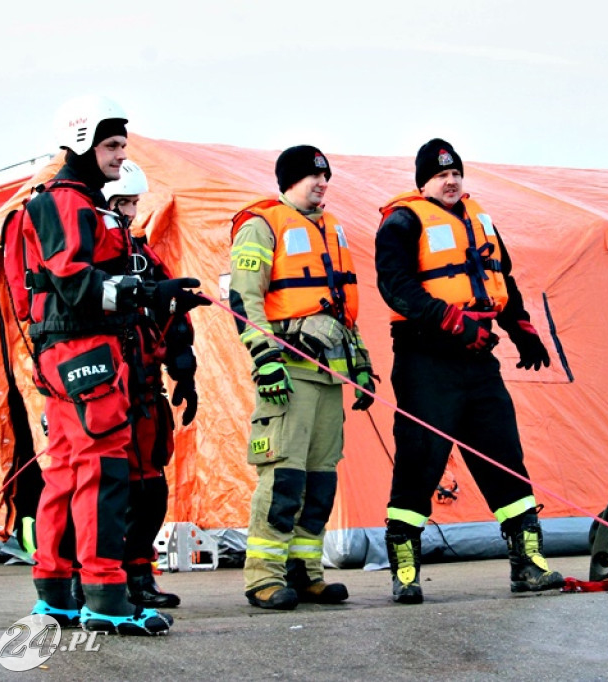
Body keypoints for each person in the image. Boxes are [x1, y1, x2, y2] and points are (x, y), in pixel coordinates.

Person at [25, 95, 207, 635]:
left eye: (123, 145)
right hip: (85, 351)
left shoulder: (81, 202)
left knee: (63, 471)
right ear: (83, 142)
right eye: (111, 145)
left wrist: (156, 295)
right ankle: (106, 597)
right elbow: (76, 281)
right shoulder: (68, 203)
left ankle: (56, 592)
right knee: (103, 470)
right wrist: (143, 293)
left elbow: (84, 279)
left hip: (67, 353)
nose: (119, 155)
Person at [374, 138, 563, 604]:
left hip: (478, 361)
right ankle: (404, 570)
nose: (451, 180)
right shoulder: (401, 223)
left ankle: (528, 564)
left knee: (504, 456)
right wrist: (453, 322)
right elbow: (395, 287)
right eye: (441, 175)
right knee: (421, 462)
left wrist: (523, 331)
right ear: (423, 182)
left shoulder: (481, 220)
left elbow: (502, 279)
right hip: (426, 360)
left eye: (456, 172)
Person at [229, 145, 376, 610]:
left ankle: (305, 572)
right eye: (312, 177)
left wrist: (361, 362)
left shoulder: (331, 230)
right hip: (287, 374)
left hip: (329, 375)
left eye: (325, 177)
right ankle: (264, 578)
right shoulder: (261, 226)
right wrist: (264, 358)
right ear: (287, 181)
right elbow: (243, 300)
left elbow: (341, 307)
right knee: (284, 478)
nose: (321, 183)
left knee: (320, 481)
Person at [101, 159, 201, 609]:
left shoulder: (144, 255)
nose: (131, 211)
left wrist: (185, 370)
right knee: (109, 490)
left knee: (151, 489)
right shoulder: (89, 258)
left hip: (146, 394)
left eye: (135, 202)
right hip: (103, 394)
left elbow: (173, 316)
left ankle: (140, 576)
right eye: (123, 202)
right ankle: (103, 579)